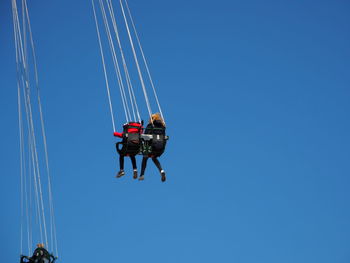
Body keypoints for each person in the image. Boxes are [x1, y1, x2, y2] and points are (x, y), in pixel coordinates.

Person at [139, 113, 167, 182]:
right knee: (154, 158)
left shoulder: (151, 125)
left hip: (152, 147)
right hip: (160, 148)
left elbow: (145, 136)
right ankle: (161, 170)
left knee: (145, 157)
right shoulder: (163, 126)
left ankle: (142, 174)